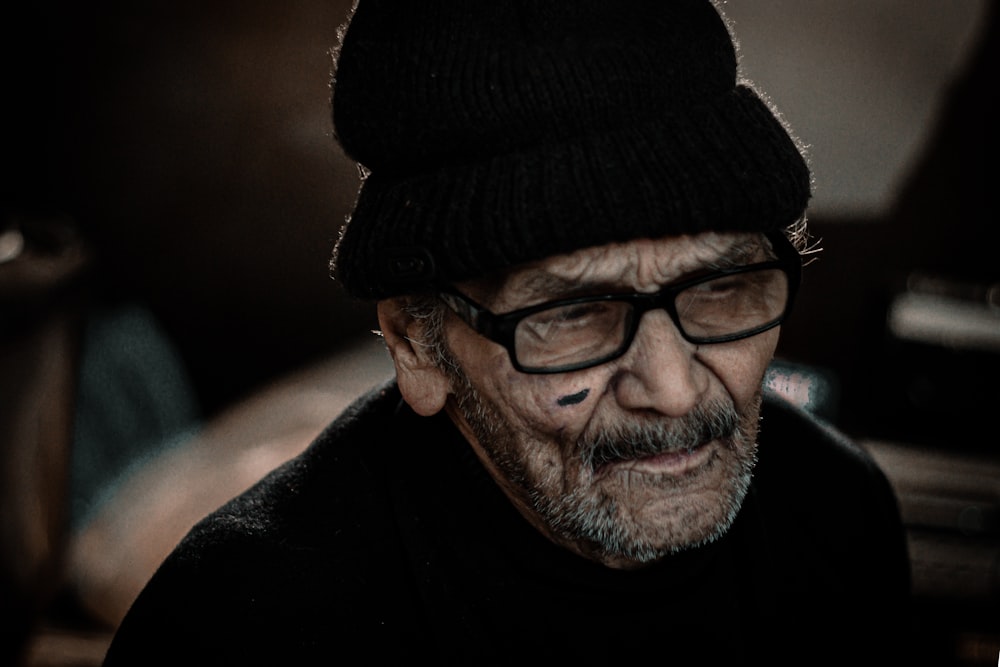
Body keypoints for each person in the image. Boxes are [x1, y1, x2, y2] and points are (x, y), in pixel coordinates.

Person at [103, 0, 913, 663]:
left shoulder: (837, 513)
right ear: (419, 346)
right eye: (571, 315)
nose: (672, 389)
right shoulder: (244, 629)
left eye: (722, 288)